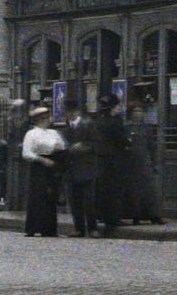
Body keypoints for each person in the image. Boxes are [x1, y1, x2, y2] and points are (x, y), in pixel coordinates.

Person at [19, 104, 66, 237]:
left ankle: (49, 228)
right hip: (39, 165)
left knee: (51, 196)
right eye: (46, 118)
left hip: (52, 164)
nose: (48, 120)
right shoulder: (31, 134)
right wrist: (41, 159)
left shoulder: (53, 133)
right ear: (40, 119)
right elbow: (26, 153)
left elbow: (61, 145)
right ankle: (34, 227)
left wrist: (55, 150)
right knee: (38, 195)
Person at [124, 97, 167, 224]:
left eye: (141, 112)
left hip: (145, 163)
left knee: (150, 191)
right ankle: (135, 216)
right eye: (136, 112)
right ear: (131, 115)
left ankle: (154, 215)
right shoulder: (127, 128)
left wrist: (154, 162)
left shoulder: (147, 128)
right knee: (134, 191)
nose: (139, 115)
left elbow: (151, 146)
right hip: (131, 164)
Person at [94, 100, 131, 233]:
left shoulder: (99, 121)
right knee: (115, 188)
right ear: (113, 108)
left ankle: (101, 215)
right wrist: (128, 142)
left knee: (103, 188)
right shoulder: (115, 121)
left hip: (101, 158)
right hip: (114, 158)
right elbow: (120, 138)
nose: (119, 109)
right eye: (117, 106)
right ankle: (114, 217)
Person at [63, 105, 100, 237]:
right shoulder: (66, 129)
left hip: (86, 168)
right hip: (71, 169)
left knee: (89, 200)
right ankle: (78, 228)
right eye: (68, 112)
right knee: (75, 201)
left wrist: (82, 147)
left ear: (78, 112)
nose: (70, 114)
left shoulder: (88, 125)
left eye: (73, 111)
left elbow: (95, 145)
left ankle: (92, 228)